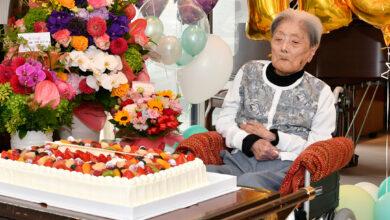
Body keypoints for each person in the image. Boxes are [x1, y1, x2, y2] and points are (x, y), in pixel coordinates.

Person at [207, 9, 336, 191]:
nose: (284, 48)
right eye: (278, 39)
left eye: (295, 42)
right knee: (199, 180)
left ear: (311, 52)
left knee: (248, 188)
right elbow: (225, 119)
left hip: (285, 168)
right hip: (238, 160)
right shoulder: (248, 72)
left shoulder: (321, 92)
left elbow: (318, 147)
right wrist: (250, 141)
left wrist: (274, 137)